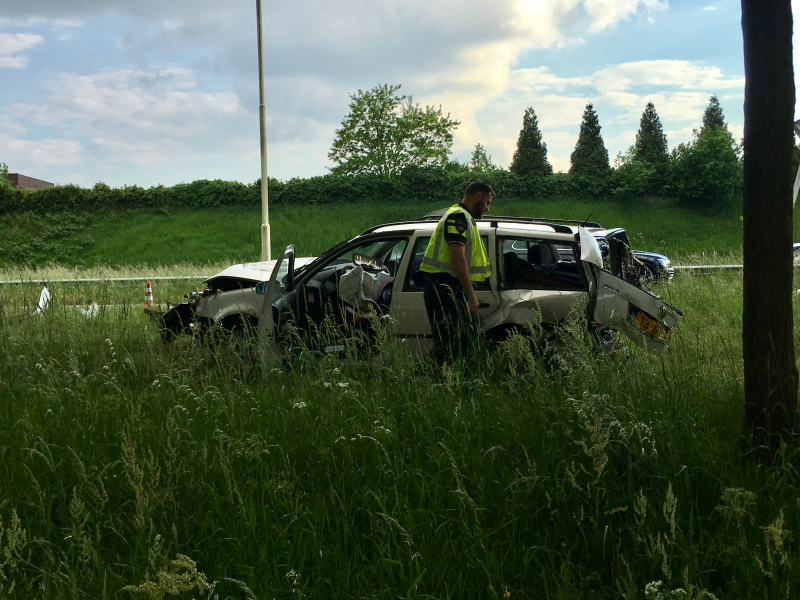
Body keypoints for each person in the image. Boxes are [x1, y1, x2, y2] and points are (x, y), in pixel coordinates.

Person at [420, 180, 495, 364]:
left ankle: (459, 386)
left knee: (464, 345)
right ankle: (430, 383)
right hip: (444, 291)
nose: (486, 209)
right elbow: (457, 257)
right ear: (478, 197)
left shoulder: (463, 217)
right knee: (448, 348)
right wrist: (471, 295)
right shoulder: (458, 218)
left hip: (451, 290)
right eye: (487, 202)